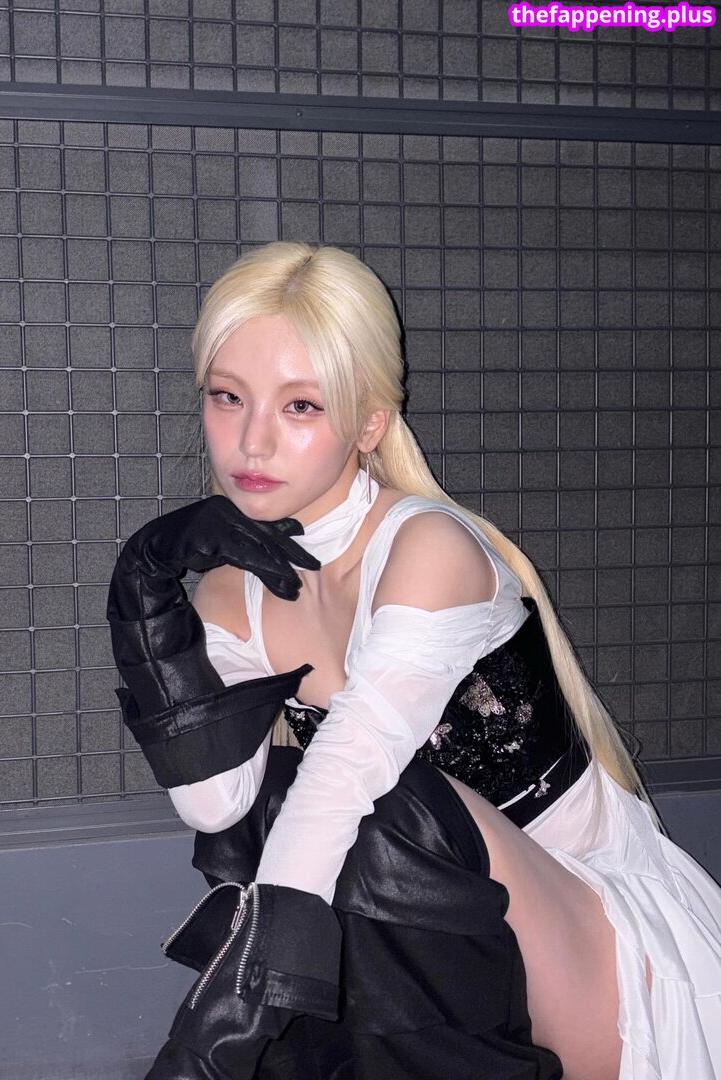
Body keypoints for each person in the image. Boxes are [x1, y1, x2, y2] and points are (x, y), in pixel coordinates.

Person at [107, 242, 721, 1080]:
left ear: (369, 423)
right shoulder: (228, 593)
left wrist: (205, 1048)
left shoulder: (429, 548)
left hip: (595, 945)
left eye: (301, 406)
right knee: (286, 807)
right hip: (416, 967)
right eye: (227, 396)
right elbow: (218, 806)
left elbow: (348, 775)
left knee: (376, 805)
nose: (252, 441)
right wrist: (144, 592)